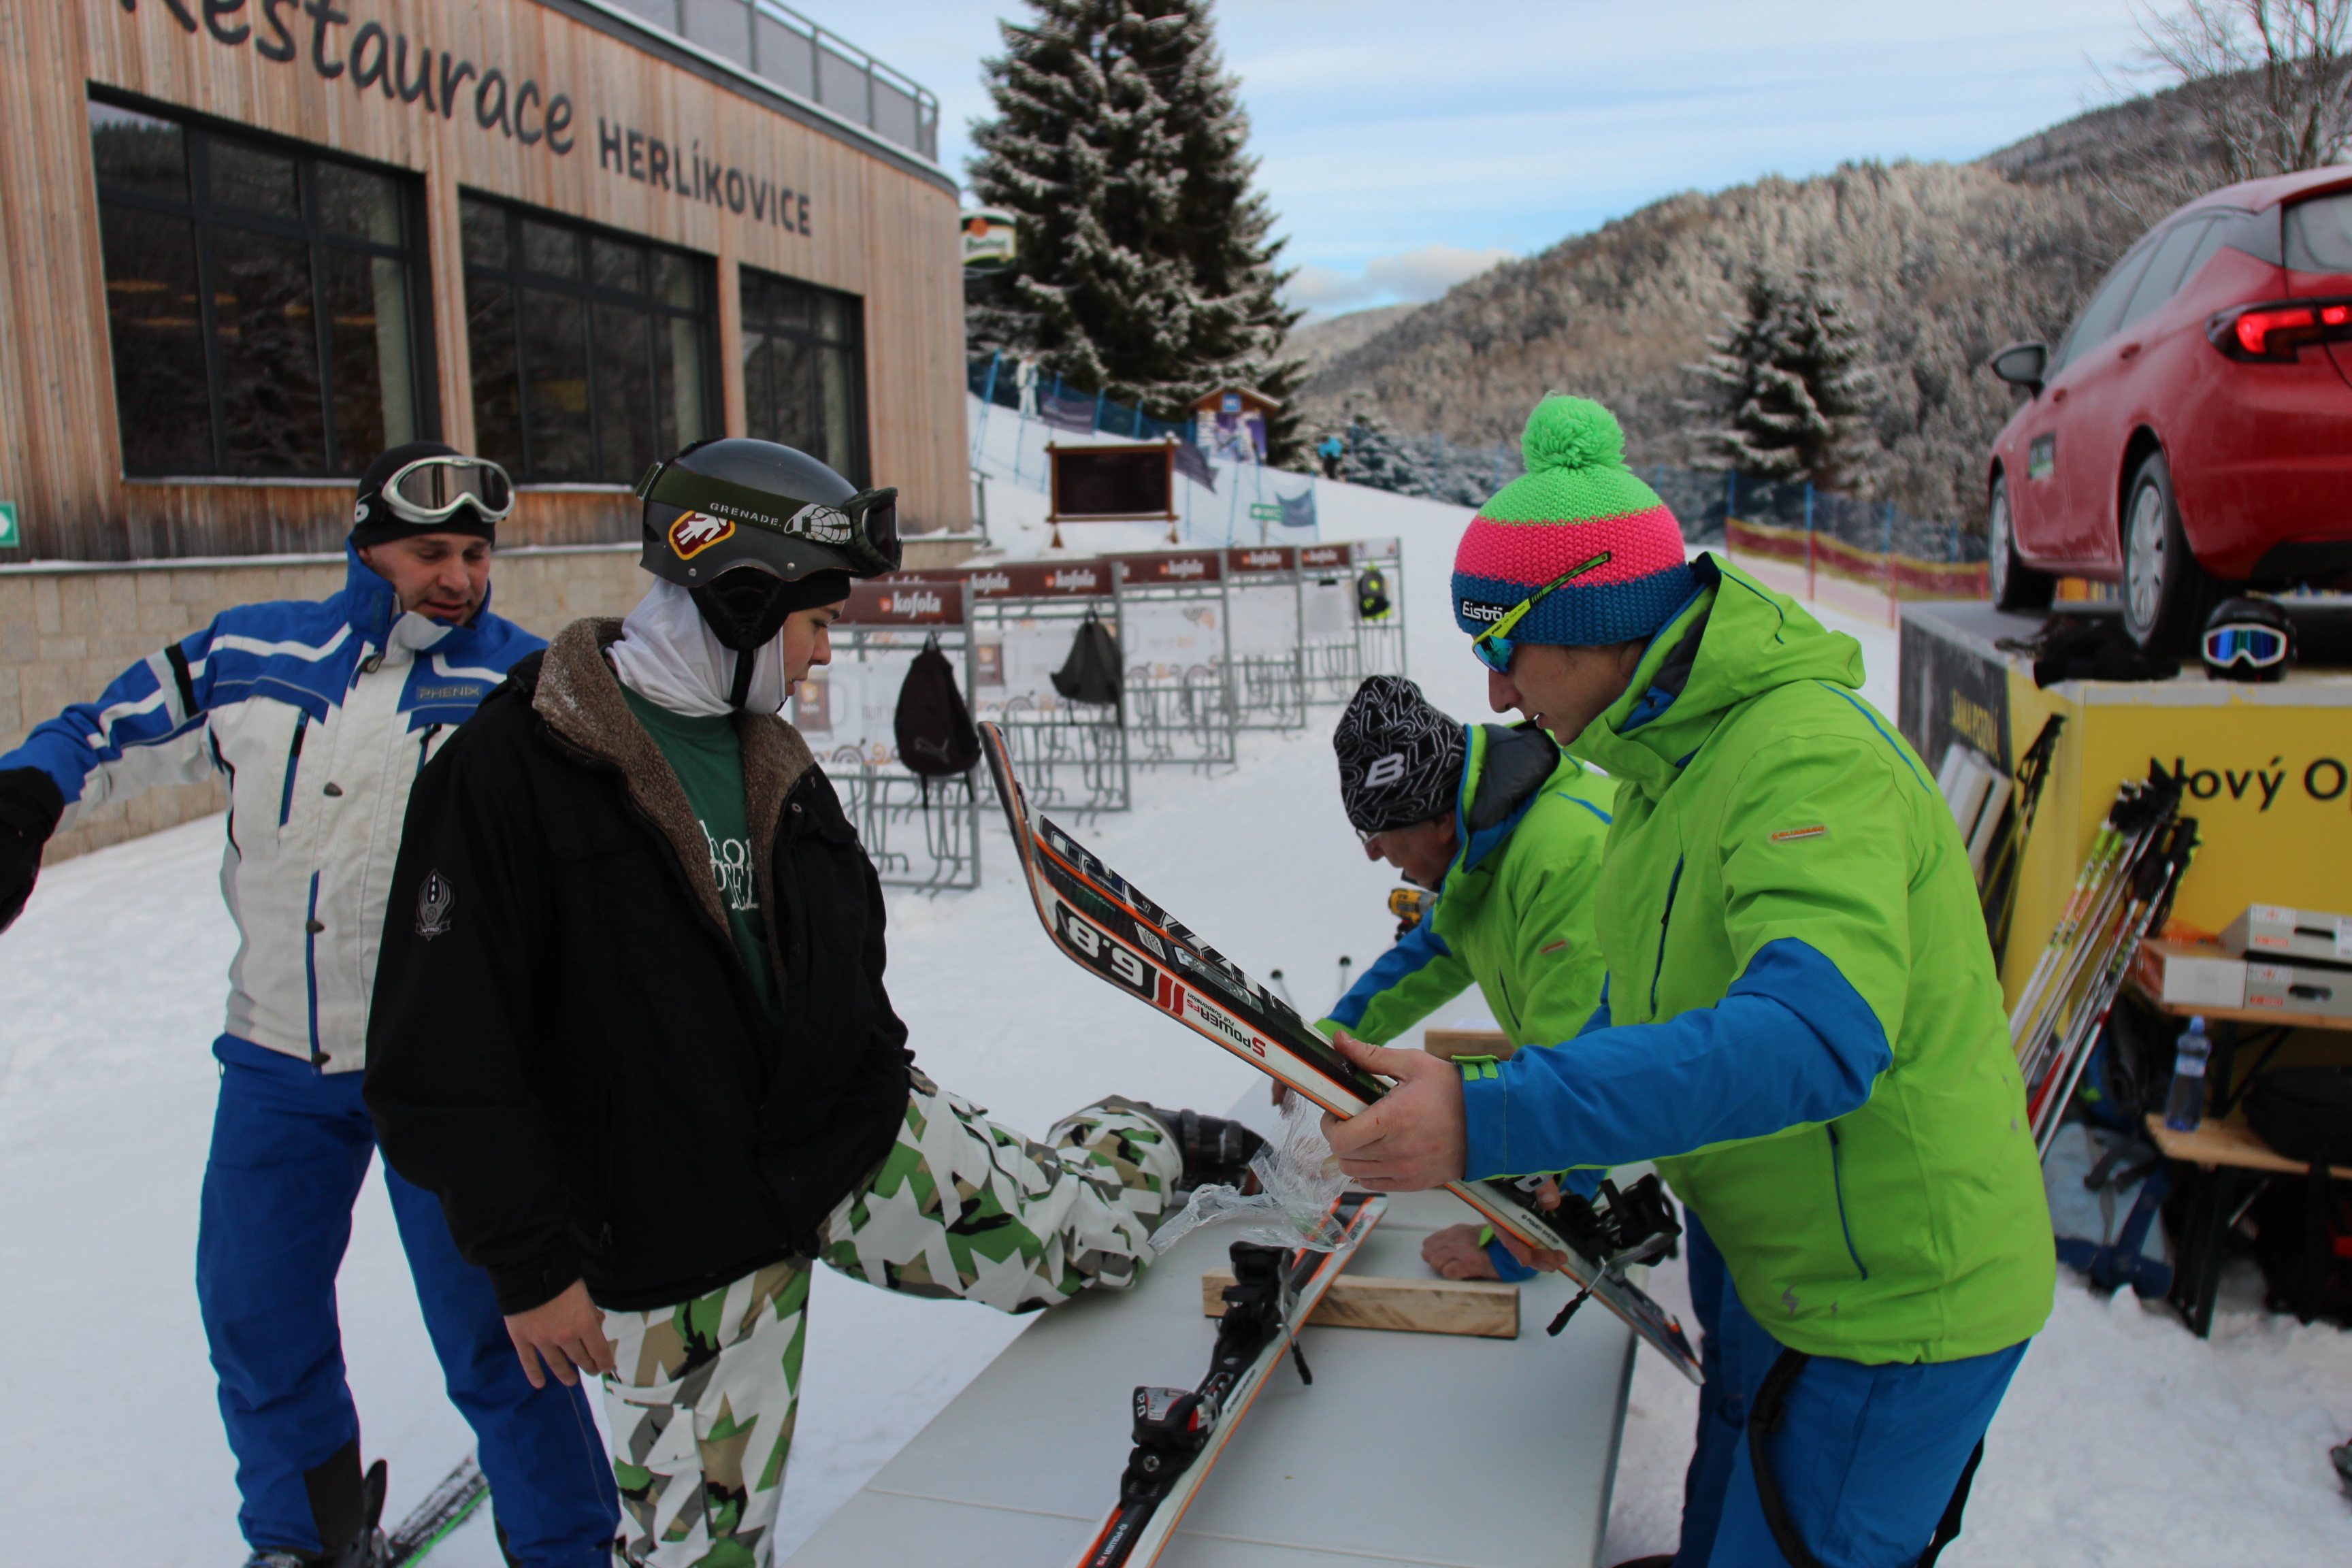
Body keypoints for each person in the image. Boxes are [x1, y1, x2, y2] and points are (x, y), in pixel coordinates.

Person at [363, 438, 1265, 1568]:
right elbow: (437, 1059)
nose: (825, 647)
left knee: (1089, 1245)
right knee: (698, 1557)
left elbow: (847, 963)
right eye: (812, 616)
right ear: (743, 601)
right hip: (675, 1243)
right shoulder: (506, 770)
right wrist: (530, 1263)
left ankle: (1136, 1145)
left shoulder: (773, 758)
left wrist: (887, 1086)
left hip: (850, 1141)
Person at [1320, 397, 2053, 1568]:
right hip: (1771, 1256)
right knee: (1729, 1485)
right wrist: (1539, 1179)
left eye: (1500, 643)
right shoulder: (1662, 774)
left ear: (1594, 615)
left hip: (1889, 1303)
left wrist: (1488, 1111)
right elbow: (1635, 1012)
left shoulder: (1801, 755)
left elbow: (1815, 1036)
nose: (1496, 692)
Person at [0, 444, 618, 1568]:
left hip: (455, 1078)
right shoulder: (251, 650)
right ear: (364, 539)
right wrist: (27, 795)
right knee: (255, 1313)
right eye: (432, 549)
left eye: (477, 553)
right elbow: (100, 730)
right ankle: (307, 1533)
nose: (460, 576)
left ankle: (567, 1545)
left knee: (500, 1337)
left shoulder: (525, 684)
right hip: (278, 1062)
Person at [1319, 674, 1614, 1283]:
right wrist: (1331, 1038)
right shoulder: (1490, 846)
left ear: (1438, 820)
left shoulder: (1566, 855)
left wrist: (1520, 1242)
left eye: (1381, 834)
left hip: (1775, 1167)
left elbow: (1588, 1064)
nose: (1376, 855)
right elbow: (1433, 951)